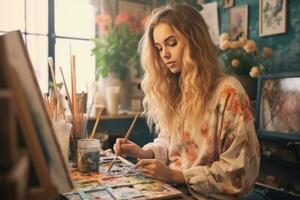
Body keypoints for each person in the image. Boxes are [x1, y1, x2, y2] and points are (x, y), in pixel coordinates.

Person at [113, 4, 260, 200]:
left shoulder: (229, 92)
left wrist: (175, 175)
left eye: (172, 43)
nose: (164, 54)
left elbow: (239, 171)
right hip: (173, 190)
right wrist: (144, 152)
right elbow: (173, 145)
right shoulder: (177, 89)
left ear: (194, 41)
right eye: (159, 48)